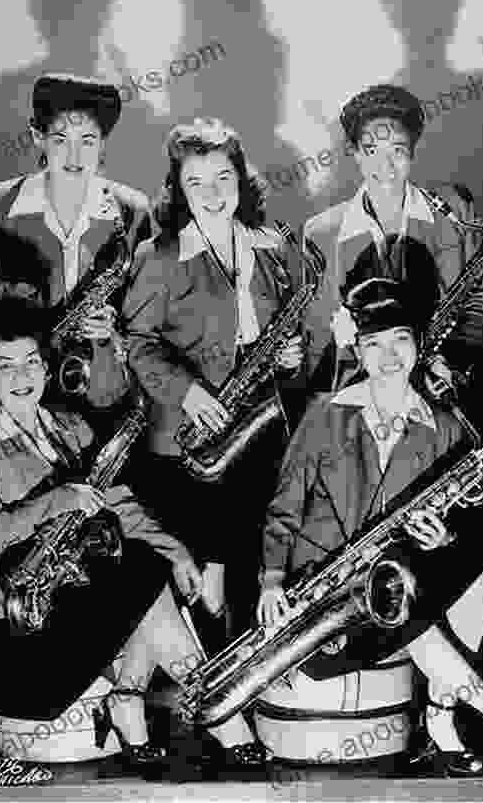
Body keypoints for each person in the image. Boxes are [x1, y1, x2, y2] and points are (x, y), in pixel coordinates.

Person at [0, 290, 270, 772]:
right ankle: (208, 709)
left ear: (47, 366)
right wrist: (57, 499)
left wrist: (178, 553)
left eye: (31, 362)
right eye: (6, 365)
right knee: (137, 571)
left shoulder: (72, 427)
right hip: (4, 638)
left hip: (60, 616)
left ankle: (159, 705)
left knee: (145, 561)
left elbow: (119, 502)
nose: (22, 377)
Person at [257, 277, 483, 780]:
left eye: (400, 339)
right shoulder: (322, 415)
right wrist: (272, 579)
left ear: (419, 344)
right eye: (373, 343)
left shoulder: (444, 425)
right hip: (326, 598)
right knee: (412, 615)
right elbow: (284, 507)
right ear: (357, 350)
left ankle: (445, 717)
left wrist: (443, 538)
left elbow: (460, 519)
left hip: (395, 584)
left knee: (466, 580)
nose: (388, 355)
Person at [122, 118, 304, 645]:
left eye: (223, 178)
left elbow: (285, 339)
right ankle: (210, 687)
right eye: (195, 182)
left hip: (259, 426)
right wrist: (188, 391)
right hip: (190, 438)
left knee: (258, 553)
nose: (212, 194)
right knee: (207, 581)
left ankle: (253, 670)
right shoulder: (159, 258)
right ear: (177, 189)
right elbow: (137, 344)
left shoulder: (270, 247)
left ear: (242, 182)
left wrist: (289, 357)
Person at [0, 73, 155, 441]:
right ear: (38, 137)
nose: (74, 156)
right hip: (17, 393)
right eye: (60, 140)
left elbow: (144, 318)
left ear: (103, 145)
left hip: (98, 390)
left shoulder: (131, 210)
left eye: (88, 141)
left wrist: (112, 332)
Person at [303, 83, 483, 399]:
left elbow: (482, 300)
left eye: (397, 150)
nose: (386, 167)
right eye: (371, 151)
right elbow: (317, 341)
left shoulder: (454, 209)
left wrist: (451, 359)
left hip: (441, 388)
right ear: (354, 152)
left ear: (412, 150)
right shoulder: (321, 232)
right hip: (358, 398)